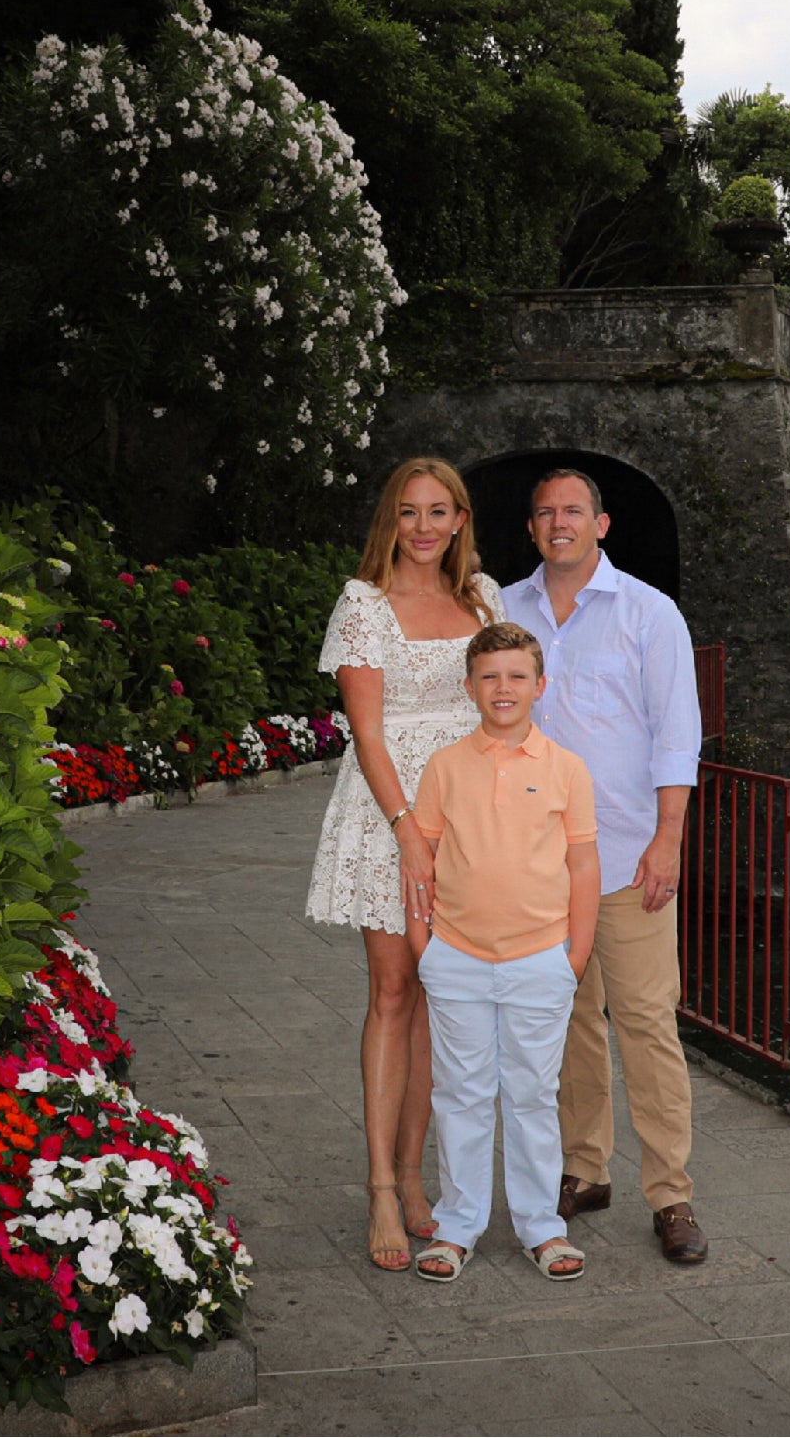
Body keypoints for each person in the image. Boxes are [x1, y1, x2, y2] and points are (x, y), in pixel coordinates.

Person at [496, 467, 712, 1265]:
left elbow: (674, 731)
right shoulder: (502, 609)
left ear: (602, 524)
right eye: (544, 511)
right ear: (530, 529)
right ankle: (584, 1170)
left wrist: (669, 837)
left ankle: (672, 1194)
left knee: (649, 1022)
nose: (559, 522)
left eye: (573, 511)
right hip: (530, 861)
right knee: (566, 1022)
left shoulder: (648, 615)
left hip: (624, 854)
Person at [304, 457, 500, 1272]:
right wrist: (407, 830)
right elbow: (369, 733)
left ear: (458, 520)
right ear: (391, 519)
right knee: (392, 991)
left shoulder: (480, 597)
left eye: (438, 511)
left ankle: (418, 1177)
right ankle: (382, 1187)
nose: (423, 527)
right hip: (390, 812)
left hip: (467, 811)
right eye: (409, 512)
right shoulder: (363, 605)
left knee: (439, 993)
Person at [405, 621, 600, 1284]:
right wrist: (422, 947)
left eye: (516, 675)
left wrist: (574, 956)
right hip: (455, 956)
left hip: (540, 958)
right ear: (469, 687)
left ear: (539, 686)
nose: (503, 688)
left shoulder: (566, 770)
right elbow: (420, 863)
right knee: (458, 1093)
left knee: (530, 1095)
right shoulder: (445, 767)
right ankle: (456, 1226)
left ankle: (541, 1227)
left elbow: (583, 864)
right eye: (488, 676)